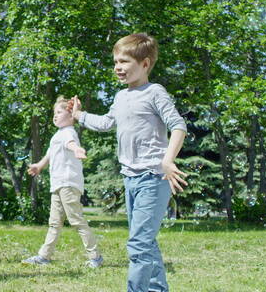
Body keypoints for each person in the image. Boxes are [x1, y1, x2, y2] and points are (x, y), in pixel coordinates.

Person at [71, 33, 188, 292]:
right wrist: (79, 115)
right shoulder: (120, 97)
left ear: (145, 64)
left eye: (124, 62)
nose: (117, 67)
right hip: (130, 179)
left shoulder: (154, 92)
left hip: (154, 178)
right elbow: (105, 123)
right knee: (146, 242)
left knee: (138, 245)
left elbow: (178, 126)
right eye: (115, 62)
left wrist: (168, 161)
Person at [22, 96, 103, 268]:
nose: (55, 116)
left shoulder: (68, 132)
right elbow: (50, 154)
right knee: (54, 223)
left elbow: (71, 144)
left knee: (76, 220)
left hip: (68, 184)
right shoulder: (57, 135)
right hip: (58, 185)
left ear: (71, 115)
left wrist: (77, 149)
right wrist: (39, 165)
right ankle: (44, 256)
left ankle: (95, 257)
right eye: (54, 113)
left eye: (59, 112)